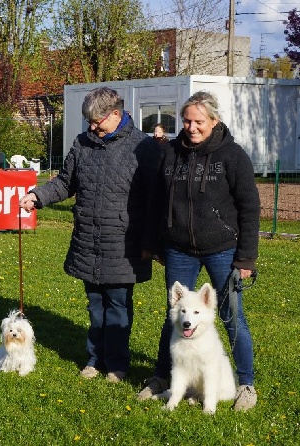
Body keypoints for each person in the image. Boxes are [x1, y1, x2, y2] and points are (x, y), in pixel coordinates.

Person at [19, 87, 161, 383]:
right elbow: (65, 182)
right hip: (88, 239)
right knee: (96, 306)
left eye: (98, 122)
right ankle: (95, 359)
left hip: (124, 243)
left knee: (119, 307)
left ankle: (118, 365)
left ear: (116, 114)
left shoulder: (143, 147)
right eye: (90, 123)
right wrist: (37, 196)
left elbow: (154, 198)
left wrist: (151, 240)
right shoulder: (83, 143)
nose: (93, 128)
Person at [137, 91, 260, 411]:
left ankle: (245, 384)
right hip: (178, 249)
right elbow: (156, 202)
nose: (191, 127)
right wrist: (153, 243)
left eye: (199, 122)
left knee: (232, 317)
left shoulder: (233, 155)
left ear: (214, 121)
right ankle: (162, 377)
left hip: (222, 249)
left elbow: (250, 207)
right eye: (187, 121)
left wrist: (246, 257)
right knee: (175, 316)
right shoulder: (171, 153)